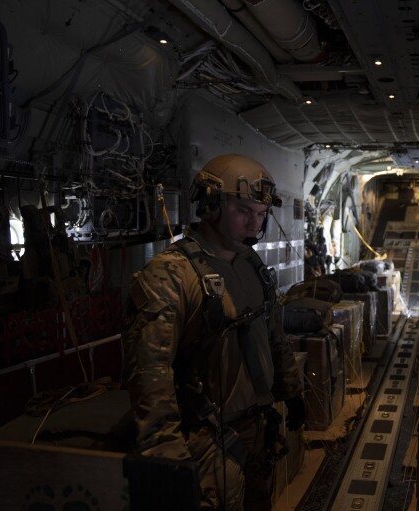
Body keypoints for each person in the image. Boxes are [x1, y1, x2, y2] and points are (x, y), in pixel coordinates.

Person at [123, 153, 306, 511]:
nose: (254, 224)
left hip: (258, 431)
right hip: (208, 440)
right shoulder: (171, 275)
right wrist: (166, 454)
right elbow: (150, 373)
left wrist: (292, 390)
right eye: (243, 211)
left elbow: (272, 335)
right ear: (210, 206)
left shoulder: (253, 266)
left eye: (261, 213)